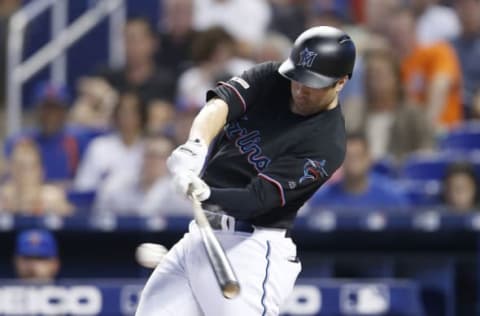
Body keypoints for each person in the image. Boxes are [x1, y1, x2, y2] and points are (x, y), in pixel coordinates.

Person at [136, 26, 355, 315]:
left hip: (250, 248)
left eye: (312, 83)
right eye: (298, 77)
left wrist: (206, 193)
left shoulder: (327, 144)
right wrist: (196, 145)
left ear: (340, 82)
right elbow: (221, 104)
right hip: (200, 237)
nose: (300, 88)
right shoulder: (272, 77)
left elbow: (257, 200)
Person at [309, 133, 410, 212]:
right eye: (348, 156)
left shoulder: (392, 197)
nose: (354, 163)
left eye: (358, 156)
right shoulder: (322, 199)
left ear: (369, 158)